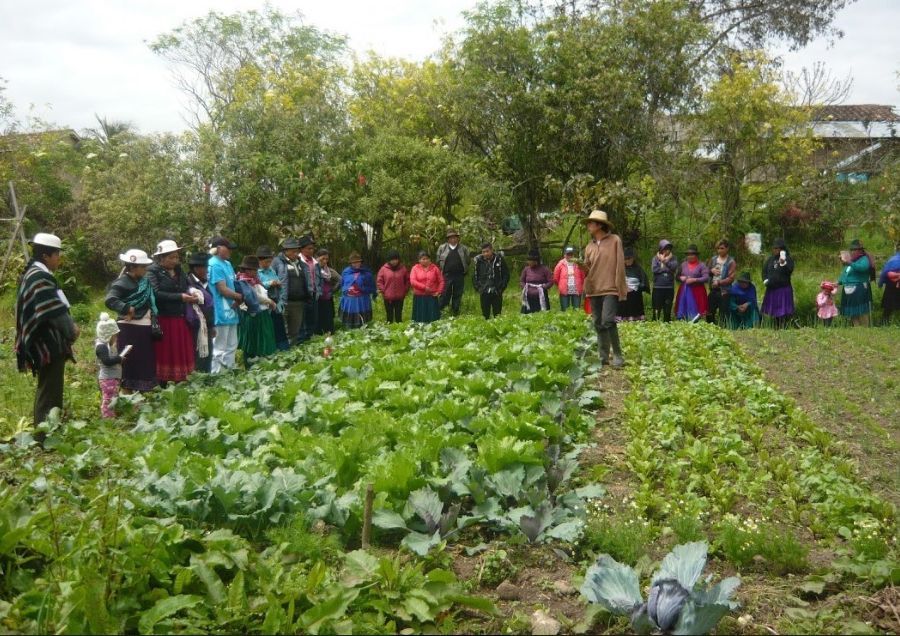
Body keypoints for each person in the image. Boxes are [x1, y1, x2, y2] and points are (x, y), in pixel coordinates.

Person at [15, 233, 79, 424]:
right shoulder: (40, 277)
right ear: (46, 256)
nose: (59, 259)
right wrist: (71, 331)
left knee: (49, 386)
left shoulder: (33, 273)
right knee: (50, 389)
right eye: (57, 254)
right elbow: (55, 312)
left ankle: (48, 428)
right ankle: (45, 435)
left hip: (43, 342)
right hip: (47, 344)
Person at [105, 248, 158, 392]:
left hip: (144, 327)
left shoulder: (144, 282)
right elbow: (110, 300)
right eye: (143, 267)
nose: (146, 269)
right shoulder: (122, 283)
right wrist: (126, 308)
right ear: (132, 267)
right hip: (129, 328)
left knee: (144, 359)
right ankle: (127, 393)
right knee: (130, 361)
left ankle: (142, 392)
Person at [147, 240, 196, 385]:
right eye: (171, 257)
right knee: (167, 351)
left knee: (180, 349)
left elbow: (187, 285)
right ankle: (164, 381)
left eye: (176, 257)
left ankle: (181, 379)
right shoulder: (152, 272)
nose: (175, 260)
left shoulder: (179, 270)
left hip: (180, 316)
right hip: (164, 317)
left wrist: (192, 292)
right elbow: (155, 293)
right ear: (161, 258)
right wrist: (180, 297)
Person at [583, 210, 627, 367]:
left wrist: (620, 286)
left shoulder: (615, 240)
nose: (588, 225)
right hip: (594, 288)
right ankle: (603, 356)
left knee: (608, 320)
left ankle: (617, 355)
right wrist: (581, 266)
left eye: (591, 223)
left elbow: (620, 265)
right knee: (598, 323)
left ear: (600, 225)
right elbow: (588, 269)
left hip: (610, 288)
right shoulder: (589, 246)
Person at [207, 237, 243, 372]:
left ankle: (229, 371)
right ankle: (216, 375)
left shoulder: (227, 264)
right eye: (228, 248)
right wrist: (239, 297)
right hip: (220, 310)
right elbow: (221, 289)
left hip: (232, 309)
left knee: (232, 344)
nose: (230, 252)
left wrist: (239, 298)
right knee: (219, 346)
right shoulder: (214, 264)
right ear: (218, 248)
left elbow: (233, 285)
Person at [235, 255, 277, 367]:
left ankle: (264, 363)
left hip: (262, 313)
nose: (256, 272)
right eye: (254, 270)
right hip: (252, 315)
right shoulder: (243, 281)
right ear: (247, 270)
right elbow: (254, 296)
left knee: (264, 338)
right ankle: (251, 364)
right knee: (253, 340)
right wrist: (270, 302)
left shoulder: (255, 280)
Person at [185, 252, 214, 373]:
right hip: (195, 323)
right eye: (205, 268)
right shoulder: (188, 282)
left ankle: (206, 378)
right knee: (197, 353)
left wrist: (212, 325)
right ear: (197, 268)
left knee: (207, 352)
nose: (207, 270)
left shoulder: (205, 282)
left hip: (206, 323)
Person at [95, 312, 128, 418]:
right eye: (114, 336)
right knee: (108, 399)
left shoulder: (107, 346)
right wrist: (119, 358)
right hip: (108, 378)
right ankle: (108, 418)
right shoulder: (101, 347)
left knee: (113, 397)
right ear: (108, 335)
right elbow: (106, 361)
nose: (116, 338)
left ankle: (112, 414)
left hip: (113, 378)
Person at [271, 238, 303, 346]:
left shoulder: (299, 262)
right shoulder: (276, 262)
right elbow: (270, 277)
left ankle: (292, 349)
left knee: (295, 328)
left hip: (298, 301)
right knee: (283, 329)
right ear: (286, 251)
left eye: (296, 250)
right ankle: (283, 351)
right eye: (293, 251)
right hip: (283, 300)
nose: (296, 253)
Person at [257, 246, 289, 350]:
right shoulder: (256, 272)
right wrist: (270, 283)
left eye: (270, 262)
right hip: (265, 303)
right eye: (266, 262)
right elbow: (257, 285)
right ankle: (271, 349)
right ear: (259, 261)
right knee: (268, 327)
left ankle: (283, 348)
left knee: (279, 325)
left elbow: (277, 279)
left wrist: (278, 283)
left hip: (275, 300)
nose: (268, 264)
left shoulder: (271, 270)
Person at [761, 238, 795, 329]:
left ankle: (784, 327)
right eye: (774, 248)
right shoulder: (770, 260)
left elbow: (790, 270)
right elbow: (764, 271)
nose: (775, 250)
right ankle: (776, 327)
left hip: (783, 288)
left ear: (782, 249)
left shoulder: (788, 259)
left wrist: (783, 263)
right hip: (772, 288)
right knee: (774, 310)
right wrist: (765, 280)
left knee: (783, 311)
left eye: (777, 248)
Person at [838, 239, 873, 327]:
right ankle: (857, 328)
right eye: (852, 250)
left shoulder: (864, 259)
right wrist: (838, 282)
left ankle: (865, 328)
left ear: (860, 250)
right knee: (852, 311)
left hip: (859, 288)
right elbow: (845, 273)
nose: (852, 251)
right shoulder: (852, 261)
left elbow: (863, 268)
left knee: (861, 310)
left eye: (855, 249)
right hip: (849, 289)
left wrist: (850, 263)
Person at [436, 228, 471, 317]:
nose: (453, 239)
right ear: (448, 239)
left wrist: (464, 270)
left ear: (458, 238)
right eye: (451, 238)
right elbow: (438, 260)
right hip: (446, 275)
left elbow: (467, 260)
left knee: (457, 294)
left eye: (455, 237)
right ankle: (439, 311)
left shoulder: (464, 248)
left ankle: (455, 312)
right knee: (445, 294)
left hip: (459, 275)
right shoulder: (442, 248)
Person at [472, 242, 510, 319]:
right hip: (484, 291)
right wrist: (478, 288)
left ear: (492, 250)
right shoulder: (478, 261)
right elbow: (475, 276)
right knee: (485, 314)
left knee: (497, 314)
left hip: (496, 290)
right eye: (483, 252)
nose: (485, 254)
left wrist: (502, 286)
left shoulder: (499, 259)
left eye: (487, 251)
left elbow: (506, 274)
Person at [339, 252, 376, 329]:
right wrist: (347, 290)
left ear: (361, 262)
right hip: (350, 300)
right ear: (351, 263)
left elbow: (371, 285)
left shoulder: (366, 273)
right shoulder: (346, 272)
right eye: (354, 263)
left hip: (362, 299)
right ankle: (349, 330)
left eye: (358, 262)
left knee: (362, 319)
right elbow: (343, 284)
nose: (356, 264)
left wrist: (362, 288)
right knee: (350, 318)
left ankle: (362, 329)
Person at [674, 244, 709, 321]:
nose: (690, 256)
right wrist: (681, 278)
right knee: (683, 309)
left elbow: (706, 278)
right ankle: (683, 322)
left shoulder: (701, 265)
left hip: (697, 291)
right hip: (684, 291)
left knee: (697, 311)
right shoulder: (683, 265)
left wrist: (694, 280)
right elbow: (677, 276)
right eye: (688, 254)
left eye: (692, 254)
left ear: (696, 255)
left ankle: (695, 323)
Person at [297, 235, 322, 341]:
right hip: (303, 295)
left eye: (312, 248)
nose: (311, 251)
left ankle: (310, 339)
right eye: (309, 248)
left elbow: (319, 278)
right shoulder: (298, 262)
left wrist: (319, 291)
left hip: (314, 294)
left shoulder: (315, 263)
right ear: (302, 249)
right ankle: (302, 341)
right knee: (302, 320)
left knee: (313, 319)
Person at [707, 239, 737, 325]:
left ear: (727, 249)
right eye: (718, 248)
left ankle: (723, 330)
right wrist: (711, 271)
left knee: (723, 313)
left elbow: (731, 278)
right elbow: (706, 271)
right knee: (709, 311)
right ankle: (710, 328)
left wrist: (719, 282)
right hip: (713, 289)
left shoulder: (731, 262)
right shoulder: (713, 259)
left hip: (724, 291)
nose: (719, 250)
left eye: (722, 248)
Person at [410, 251, 445, 323]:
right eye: (423, 259)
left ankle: (433, 329)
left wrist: (439, 291)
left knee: (433, 317)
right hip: (419, 296)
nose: (425, 260)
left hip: (432, 296)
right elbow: (413, 281)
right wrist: (424, 287)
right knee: (420, 317)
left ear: (430, 259)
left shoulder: (435, 268)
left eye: (427, 259)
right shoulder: (415, 268)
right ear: (419, 260)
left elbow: (441, 281)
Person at [377, 250, 410, 323]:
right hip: (388, 297)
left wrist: (405, 290)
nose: (394, 261)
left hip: (400, 296)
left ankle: (399, 330)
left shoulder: (403, 269)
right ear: (389, 260)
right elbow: (379, 281)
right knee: (389, 317)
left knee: (399, 316)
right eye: (392, 260)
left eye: (396, 259)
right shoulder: (383, 269)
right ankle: (389, 331)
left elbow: (407, 280)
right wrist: (384, 291)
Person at [618, 246, 650, 322]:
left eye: (629, 259)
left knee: (634, 296)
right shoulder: (620, 268)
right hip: (623, 290)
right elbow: (617, 280)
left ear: (632, 259)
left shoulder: (638, 268)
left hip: (635, 292)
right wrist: (624, 287)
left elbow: (643, 280)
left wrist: (636, 288)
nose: (627, 261)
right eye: (625, 259)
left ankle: (636, 317)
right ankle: (622, 318)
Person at [651, 239, 678, 321]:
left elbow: (673, 267)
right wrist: (667, 269)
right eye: (665, 248)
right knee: (656, 308)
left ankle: (667, 322)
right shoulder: (655, 258)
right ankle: (655, 322)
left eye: (669, 248)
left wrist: (664, 262)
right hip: (657, 287)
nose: (667, 250)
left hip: (669, 287)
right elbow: (654, 270)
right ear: (661, 249)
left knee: (667, 308)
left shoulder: (674, 258)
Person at [316, 248, 341, 334]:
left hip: (327, 298)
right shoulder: (313, 269)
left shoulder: (329, 271)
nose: (325, 261)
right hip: (317, 299)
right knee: (318, 318)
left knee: (328, 318)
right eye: (323, 258)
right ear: (317, 258)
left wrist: (332, 290)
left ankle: (329, 334)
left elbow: (340, 280)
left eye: (327, 259)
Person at [553, 246, 585, 311]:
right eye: (568, 254)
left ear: (573, 255)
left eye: (571, 254)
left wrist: (580, 284)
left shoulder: (578, 263)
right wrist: (560, 285)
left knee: (576, 310)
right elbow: (556, 277)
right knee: (565, 310)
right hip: (564, 290)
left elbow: (583, 276)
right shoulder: (560, 264)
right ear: (565, 255)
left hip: (576, 290)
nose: (569, 256)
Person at [878, 245, 900, 323]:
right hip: (892, 285)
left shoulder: (892, 259)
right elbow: (885, 272)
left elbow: (884, 272)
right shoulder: (894, 260)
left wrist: (880, 283)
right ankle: (885, 321)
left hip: (891, 285)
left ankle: (884, 322)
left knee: (888, 307)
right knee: (888, 306)